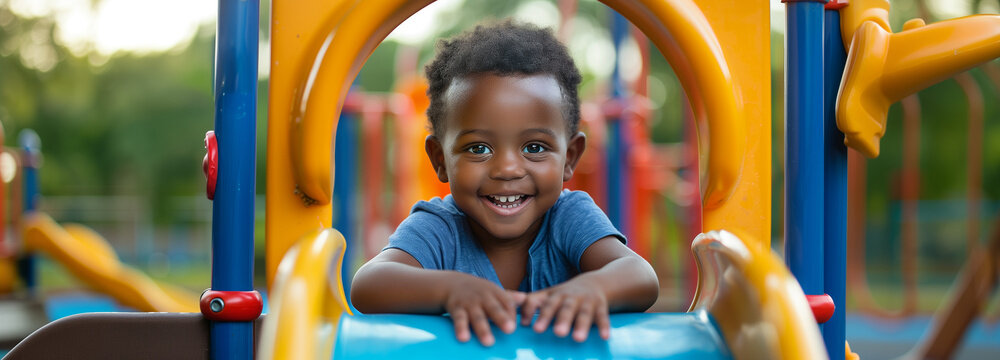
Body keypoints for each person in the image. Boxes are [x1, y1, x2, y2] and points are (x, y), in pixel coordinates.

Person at [350, 20, 658, 347]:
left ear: (570, 157)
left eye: (534, 148)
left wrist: (594, 289)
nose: (508, 169)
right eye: (478, 149)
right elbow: (368, 285)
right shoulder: (438, 228)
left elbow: (640, 277)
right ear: (440, 159)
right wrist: (449, 290)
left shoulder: (569, 217)